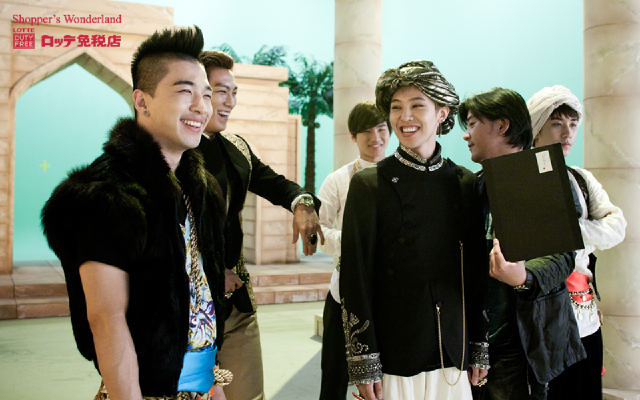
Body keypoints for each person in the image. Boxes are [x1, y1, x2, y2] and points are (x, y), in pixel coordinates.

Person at [41, 26, 230, 399]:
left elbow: (201, 303)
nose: (201, 107)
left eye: (206, 94)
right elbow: (107, 323)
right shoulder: (104, 196)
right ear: (142, 101)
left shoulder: (201, 190)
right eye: (185, 92)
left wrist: (212, 389)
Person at [339, 61, 489, 400]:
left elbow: (476, 272)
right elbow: (355, 277)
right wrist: (363, 359)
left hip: (453, 354)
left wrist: (479, 343)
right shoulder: (369, 185)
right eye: (396, 108)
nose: (405, 117)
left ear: (441, 113)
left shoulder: (465, 183)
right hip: (393, 356)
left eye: (417, 106)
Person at [196, 50, 324, 400]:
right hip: (185, 312)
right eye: (220, 91)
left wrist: (302, 203)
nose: (230, 101)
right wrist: (210, 272)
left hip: (237, 307)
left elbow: (277, 184)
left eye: (234, 92)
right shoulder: (169, 152)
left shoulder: (236, 148)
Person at [459, 87, 586, 400]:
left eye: (472, 124)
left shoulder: (547, 178)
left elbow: (562, 257)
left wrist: (523, 277)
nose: (466, 135)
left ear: (502, 126)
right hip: (479, 343)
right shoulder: (473, 185)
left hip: (527, 343)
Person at [528, 85, 627, 399]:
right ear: (536, 128)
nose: (567, 132)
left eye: (573, 124)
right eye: (556, 123)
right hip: (540, 316)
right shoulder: (518, 179)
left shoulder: (582, 178)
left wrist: (571, 232)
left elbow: (617, 226)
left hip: (585, 314)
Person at [317, 102, 390, 399]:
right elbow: (319, 233)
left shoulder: (401, 176)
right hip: (344, 292)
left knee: (387, 378)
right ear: (353, 137)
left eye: (381, 129)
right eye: (366, 131)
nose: (375, 138)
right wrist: (355, 241)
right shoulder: (338, 180)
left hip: (391, 293)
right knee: (334, 376)